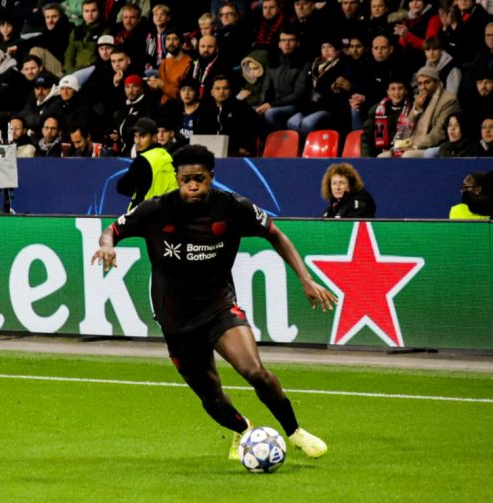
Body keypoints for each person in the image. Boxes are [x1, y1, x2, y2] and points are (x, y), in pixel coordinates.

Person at [91, 144, 335, 461]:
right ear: (177, 179)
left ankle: (295, 432)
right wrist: (108, 247)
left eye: (200, 178)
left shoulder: (233, 207)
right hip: (175, 319)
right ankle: (244, 429)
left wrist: (304, 278)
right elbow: (111, 231)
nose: (193, 185)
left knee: (255, 371)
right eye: (186, 179)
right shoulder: (156, 210)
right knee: (210, 397)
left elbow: (276, 234)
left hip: (218, 307)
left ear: (211, 177)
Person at [116, 117, 176, 211]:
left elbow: (123, 187)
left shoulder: (143, 160)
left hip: (144, 215)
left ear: (154, 137)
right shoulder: (167, 156)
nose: (138, 141)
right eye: (135, 136)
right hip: (166, 214)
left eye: (143, 136)